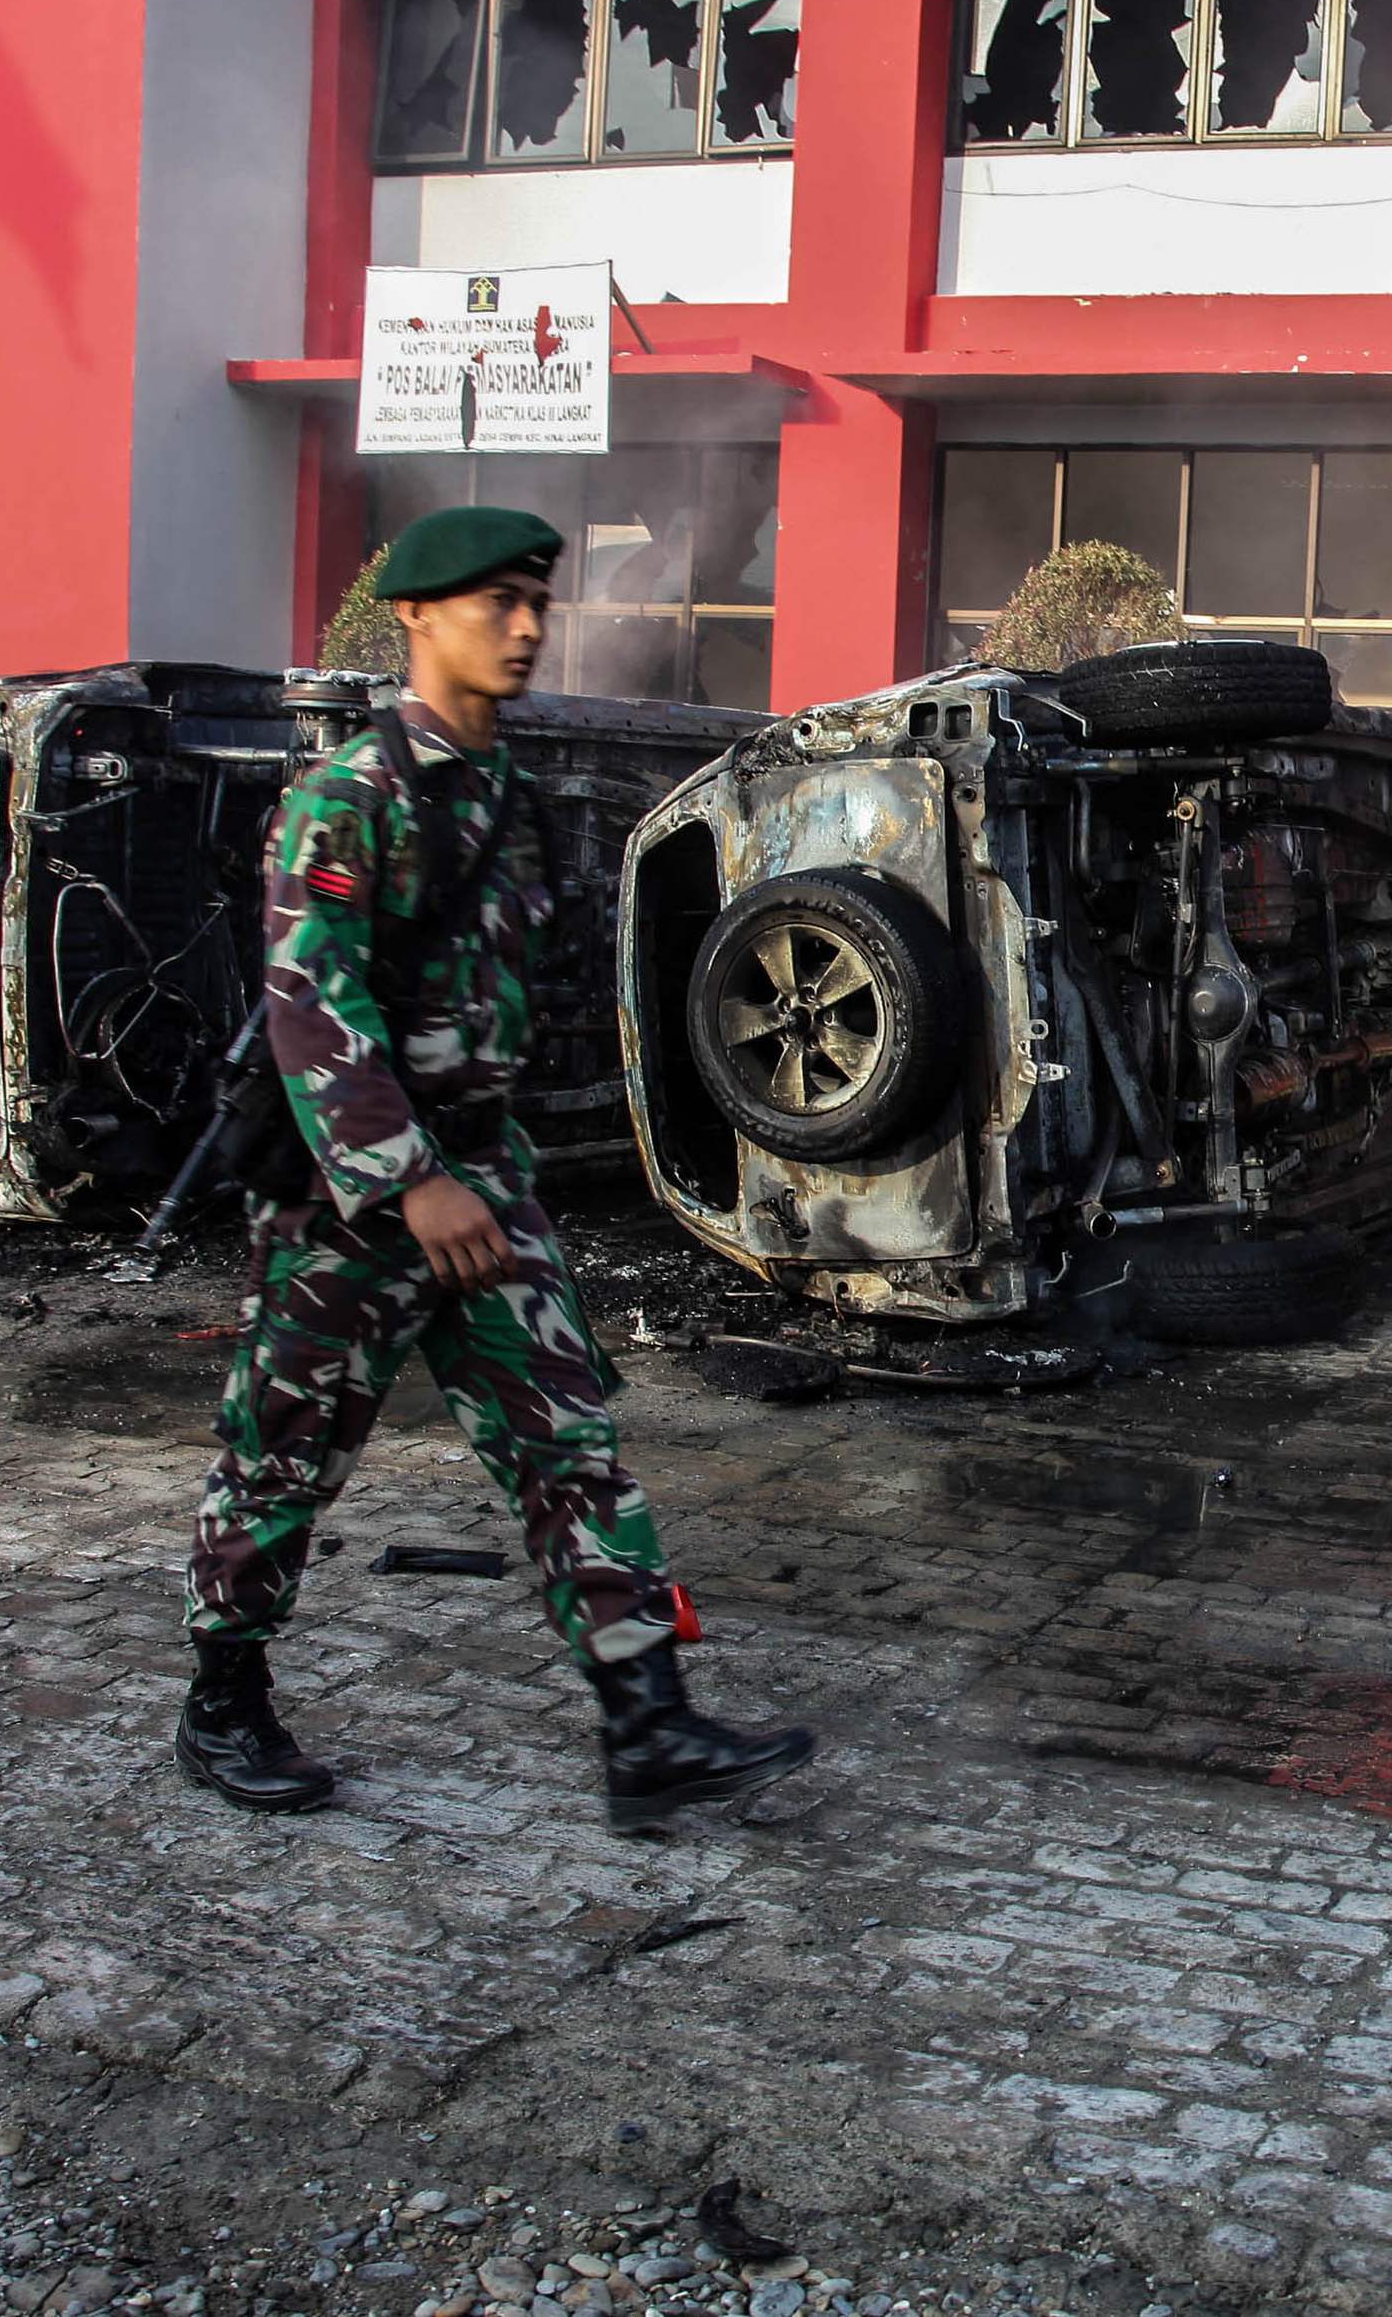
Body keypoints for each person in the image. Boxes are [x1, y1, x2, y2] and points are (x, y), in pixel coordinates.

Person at [173, 503, 816, 1828]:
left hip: (485, 1176)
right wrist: (410, 1178)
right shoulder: (348, 795)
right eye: (492, 605)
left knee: (568, 1439)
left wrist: (495, 1166)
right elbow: (313, 1001)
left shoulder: (504, 794)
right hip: (356, 1201)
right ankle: (222, 1698)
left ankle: (646, 1722)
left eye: (536, 602)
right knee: (285, 1454)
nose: (524, 629)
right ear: (415, 616)